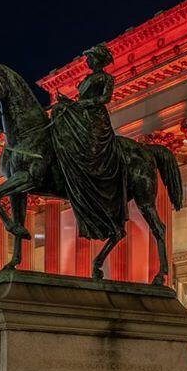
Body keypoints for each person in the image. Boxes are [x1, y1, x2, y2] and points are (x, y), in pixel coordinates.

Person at [50, 44, 127, 242]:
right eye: (88, 58)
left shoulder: (106, 78)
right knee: (59, 110)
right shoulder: (86, 79)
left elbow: (105, 98)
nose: (88, 61)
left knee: (90, 153)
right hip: (83, 115)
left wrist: (84, 104)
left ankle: (96, 179)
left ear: (98, 60)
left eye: (91, 58)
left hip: (96, 118)